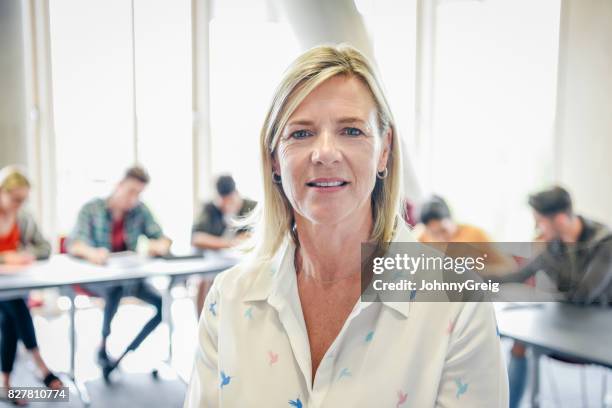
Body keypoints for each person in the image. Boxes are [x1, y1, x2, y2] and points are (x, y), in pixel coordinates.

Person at [184, 45, 508, 407]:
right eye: (301, 134)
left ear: (384, 151)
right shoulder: (228, 299)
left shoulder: (458, 303)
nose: (325, 152)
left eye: (351, 131)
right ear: (274, 159)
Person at [496, 186, 612, 408]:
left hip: (603, 327)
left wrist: (549, 256)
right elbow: (518, 274)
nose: (536, 228)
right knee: (519, 342)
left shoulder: (605, 242)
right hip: (569, 320)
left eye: (539, 221)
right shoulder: (554, 245)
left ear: (558, 220)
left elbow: (584, 294)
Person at [68, 166, 171, 381]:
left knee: (164, 305)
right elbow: (73, 244)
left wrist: (158, 246)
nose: (134, 198)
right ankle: (103, 346)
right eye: (131, 191)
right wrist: (91, 252)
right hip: (96, 280)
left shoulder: (140, 211)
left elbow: (163, 238)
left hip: (129, 279)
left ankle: (124, 354)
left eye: (139, 193)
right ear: (119, 186)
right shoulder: (92, 208)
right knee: (114, 288)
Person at [0, 166, 63, 406]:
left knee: (11, 314)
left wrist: (25, 252)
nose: (19, 204)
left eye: (23, 200)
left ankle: (4, 383)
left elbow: (45, 248)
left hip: (13, 286)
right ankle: (40, 364)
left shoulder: (23, 217)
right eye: (15, 199)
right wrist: (6, 257)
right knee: (16, 307)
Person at [191, 175, 256, 316]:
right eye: (223, 203)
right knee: (204, 280)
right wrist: (229, 243)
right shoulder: (210, 209)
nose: (226, 206)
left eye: (230, 201)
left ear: (237, 194)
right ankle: (203, 323)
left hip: (244, 263)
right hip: (215, 263)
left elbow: (259, 235)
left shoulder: (251, 207)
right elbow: (196, 238)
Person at [417, 195, 515, 274]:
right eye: (434, 234)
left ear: (452, 220)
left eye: (443, 231)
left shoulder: (475, 234)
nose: (441, 239)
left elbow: (509, 267)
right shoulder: (421, 237)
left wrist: (477, 271)